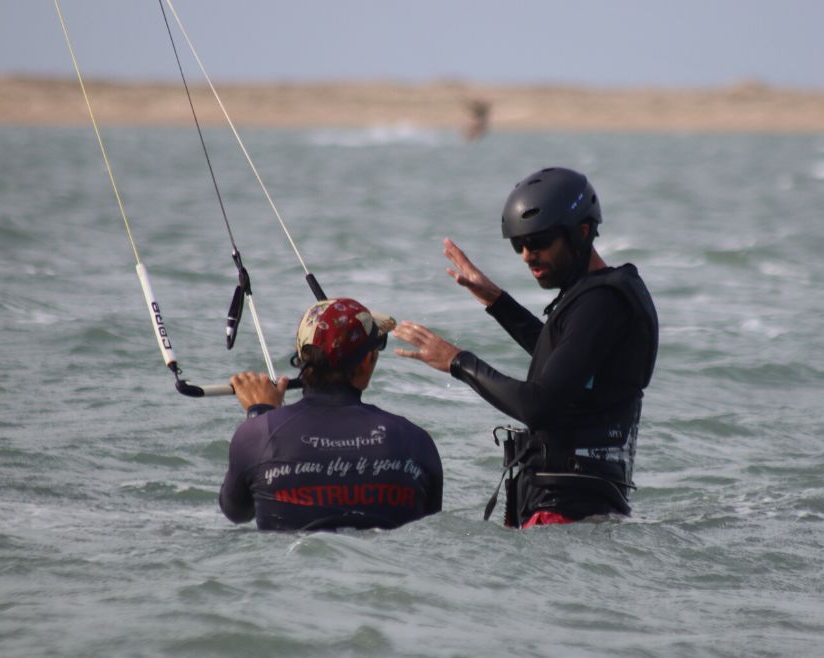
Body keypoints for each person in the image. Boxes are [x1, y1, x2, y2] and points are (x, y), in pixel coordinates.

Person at [393, 167, 658, 528]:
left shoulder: (601, 302)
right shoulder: (607, 294)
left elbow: (539, 405)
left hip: (564, 513)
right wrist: (496, 301)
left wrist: (458, 362)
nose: (527, 255)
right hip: (582, 506)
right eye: (519, 245)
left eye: (539, 242)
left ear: (581, 232)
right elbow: (564, 359)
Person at [221, 298, 443, 531]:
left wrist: (261, 414)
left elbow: (237, 511)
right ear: (367, 361)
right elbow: (430, 526)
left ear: (302, 356)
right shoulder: (416, 442)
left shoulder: (257, 435)